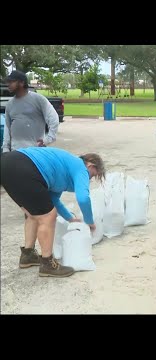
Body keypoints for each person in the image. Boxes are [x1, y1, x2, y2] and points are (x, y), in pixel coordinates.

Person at [0, 147, 105, 278]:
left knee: (34, 213)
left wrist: (70, 218)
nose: (89, 179)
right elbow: (83, 198)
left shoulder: (61, 171)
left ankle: (28, 255)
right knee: (48, 216)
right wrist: (90, 221)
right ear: (90, 164)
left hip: (9, 162)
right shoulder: (80, 166)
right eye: (93, 175)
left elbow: (53, 200)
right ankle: (47, 264)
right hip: (24, 166)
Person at [2, 70, 59, 153]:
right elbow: (7, 128)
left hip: (35, 152)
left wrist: (48, 139)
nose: (8, 85)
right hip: (16, 152)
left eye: (12, 82)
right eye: (8, 82)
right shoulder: (10, 104)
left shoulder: (39, 99)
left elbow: (53, 118)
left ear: (22, 82)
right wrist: (5, 148)